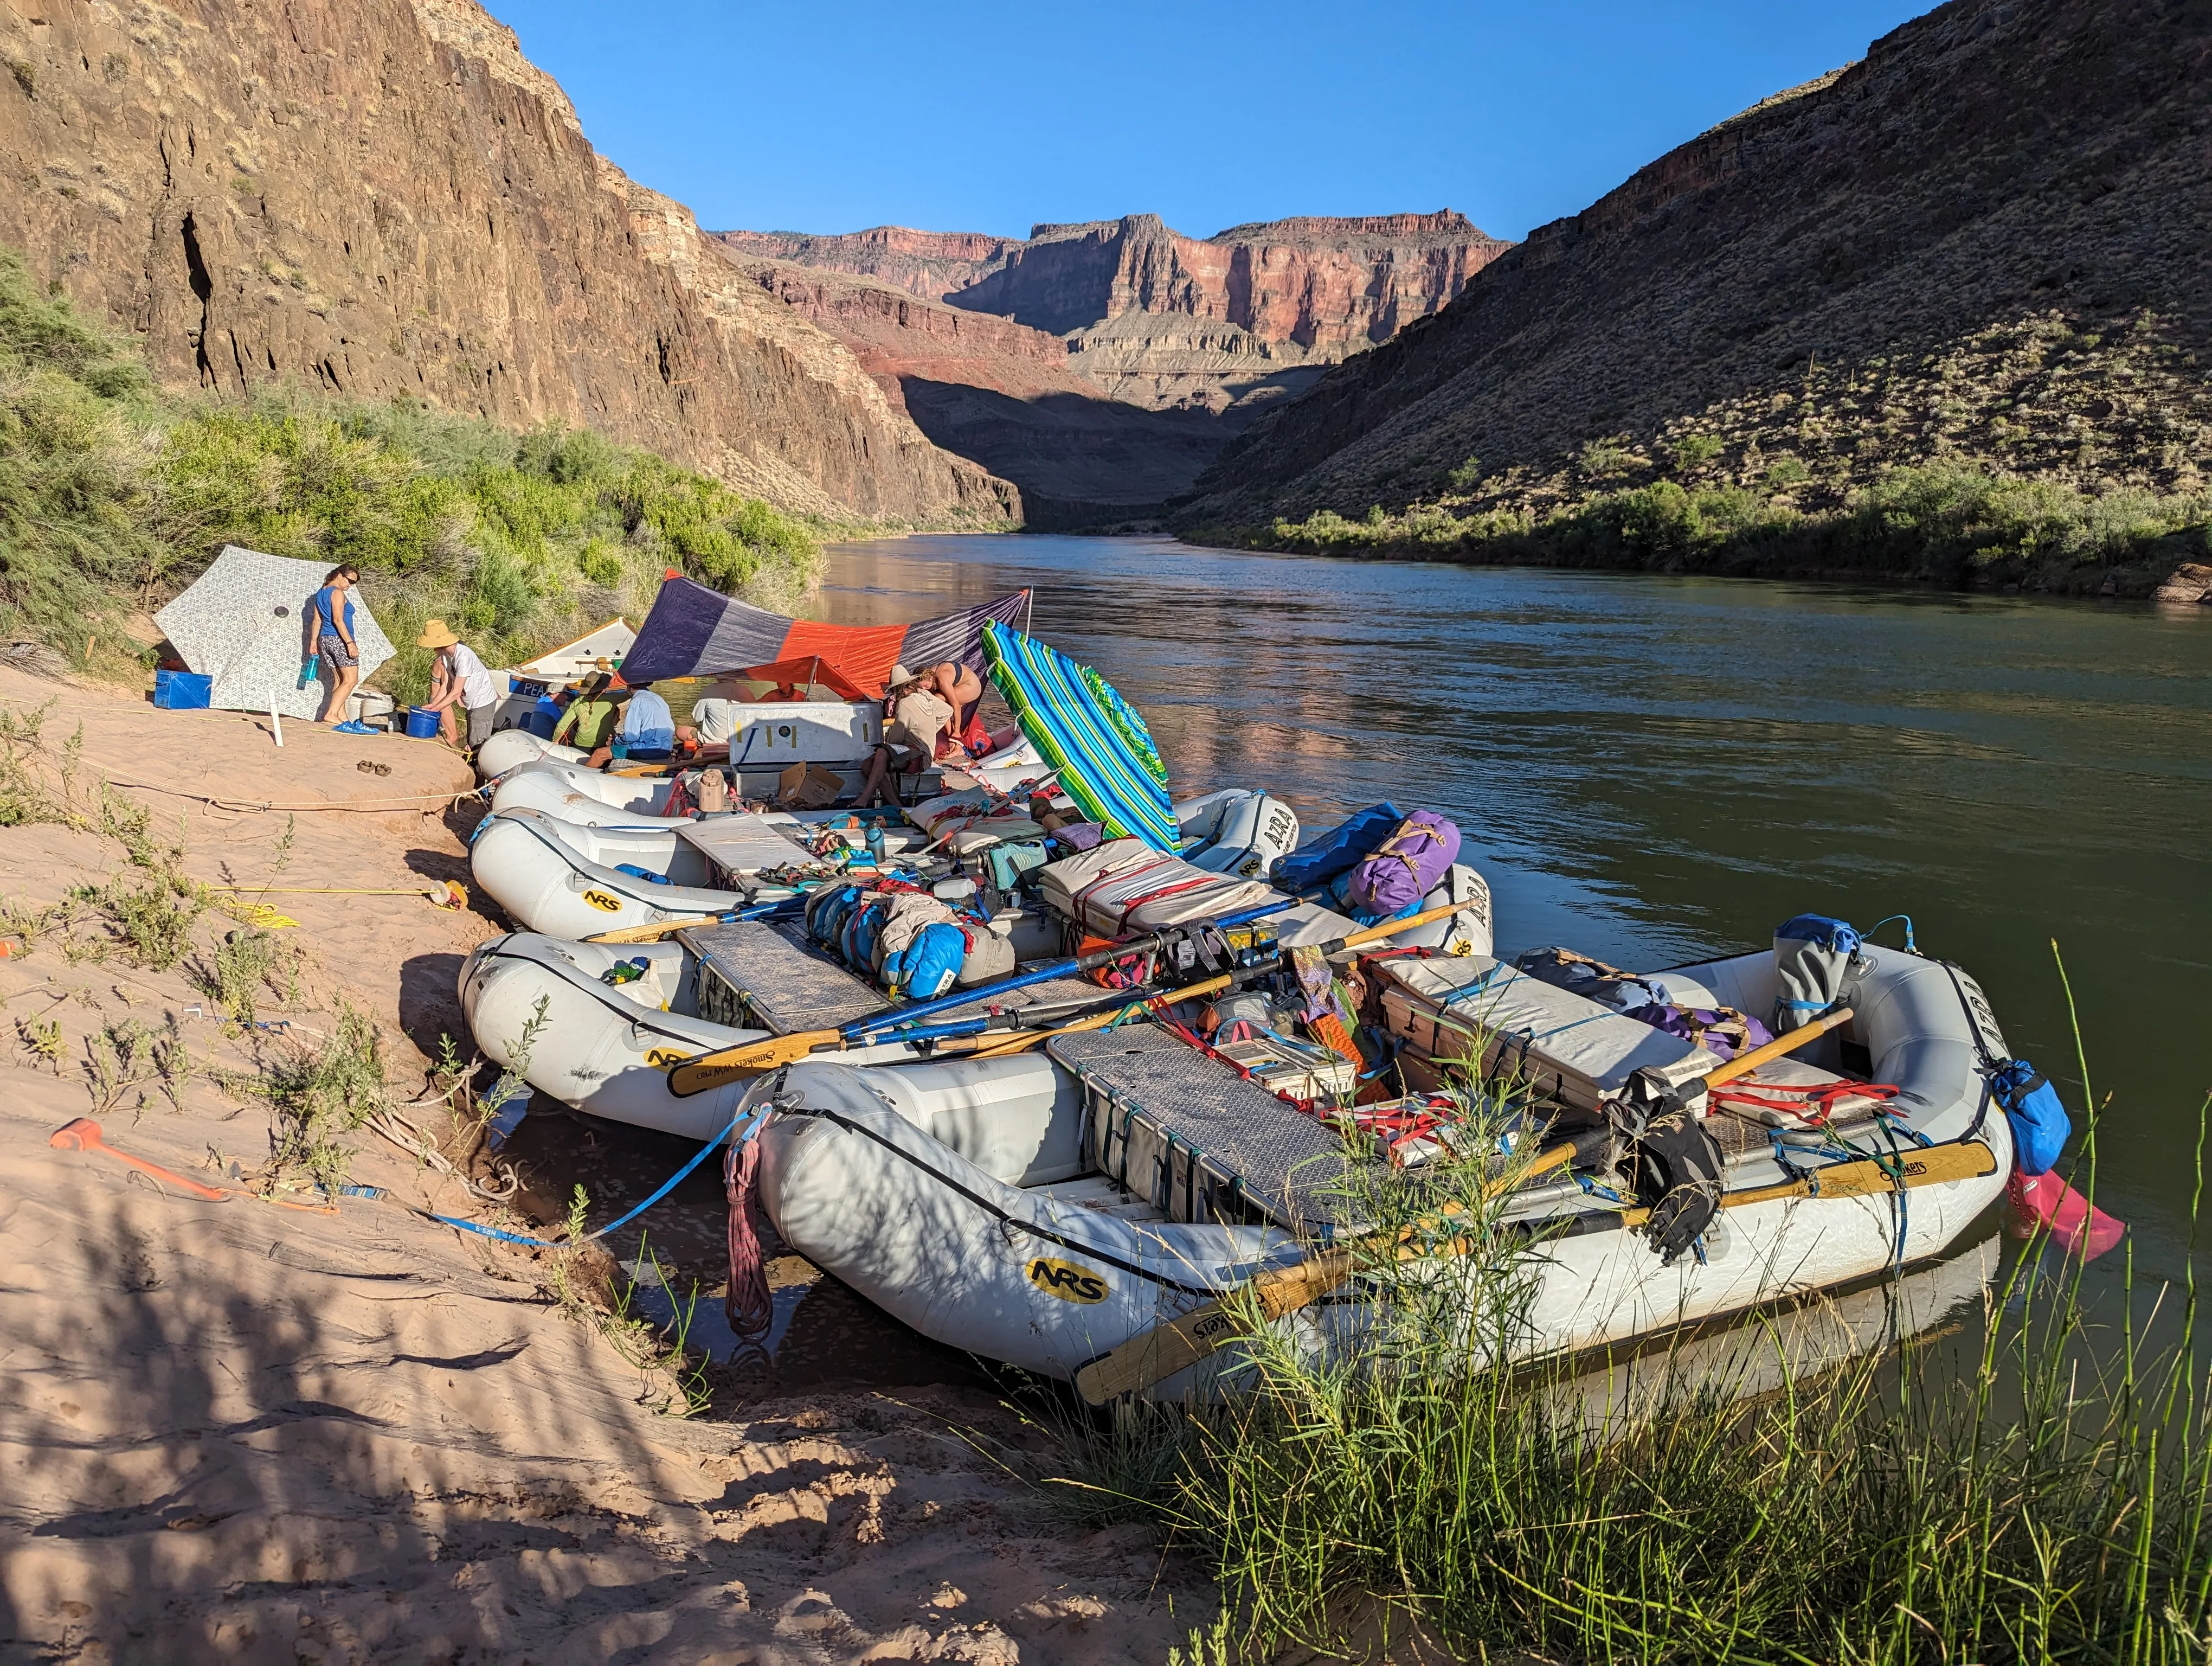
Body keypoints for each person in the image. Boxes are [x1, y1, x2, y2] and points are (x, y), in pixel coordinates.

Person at [855, 664, 965, 808]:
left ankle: (866, 799)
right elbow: (948, 711)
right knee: (870, 763)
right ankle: (897, 804)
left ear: (897, 689)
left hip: (917, 759)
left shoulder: (905, 704)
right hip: (925, 754)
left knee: (880, 754)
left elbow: (895, 740)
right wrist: (931, 729)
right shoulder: (925, 695)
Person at [415, 619, 499, 751]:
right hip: (470, 701)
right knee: (471, 738)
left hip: (482, 700)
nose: (433, 650)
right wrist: (434, 704)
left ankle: (476, 767)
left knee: (477, 741)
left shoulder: (463, 657)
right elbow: (447, 686)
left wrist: (436, 710)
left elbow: (456, 692)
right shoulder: (446, 656)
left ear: (440, 644)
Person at [312, 565, 374, 732]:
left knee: (340, 680)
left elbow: (317, 620)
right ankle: (331, 714)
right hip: (339, 639)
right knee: (351, 680)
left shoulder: (321, 592)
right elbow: (338, 621)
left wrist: (313, 643)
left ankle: (342, 717)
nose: (350, 586)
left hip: (325, 639)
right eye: (350, 581)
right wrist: (350, 643)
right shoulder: (337, 593)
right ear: (340, 575)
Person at [550, 672, 624, 754]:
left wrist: (555, 741)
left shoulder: (578, 702)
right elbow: (629, 694)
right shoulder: (611, 699)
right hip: (602, 743)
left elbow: (563, 725)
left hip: (581, 744)